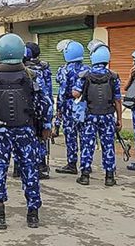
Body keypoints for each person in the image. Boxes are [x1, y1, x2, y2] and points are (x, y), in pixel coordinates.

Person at [0, 33, 51, 229]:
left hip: (0, 132)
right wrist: (46, 126)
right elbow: (45, 104)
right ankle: (33, 215)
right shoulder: (31, 75)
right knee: (30, 170)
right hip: (26, 130)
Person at [73, 42, 122, 186]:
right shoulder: (113, 76)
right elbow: (118, 100)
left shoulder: (84, 75)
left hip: (90, 116)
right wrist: (119, 119)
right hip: (107, 116)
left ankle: (85, 175)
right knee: (108, 146)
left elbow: (75, 93)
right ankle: (109, 177)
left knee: (88, 145)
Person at [54, 41, 89, 175]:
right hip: (84, 105)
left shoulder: (64, 70)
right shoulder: (88, 69)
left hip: (69, 106)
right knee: (85, 136)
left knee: (71, 136)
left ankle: (72, 164)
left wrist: (58, 113)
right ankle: (86, 164)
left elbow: (62, 92)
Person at [23, 42, 53, 180]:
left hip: (24, 110)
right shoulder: (44, 68)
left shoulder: (21, 68)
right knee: (41, 138)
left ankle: (20, 167)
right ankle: (41, 166)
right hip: (41, 107)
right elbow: (48, 92)